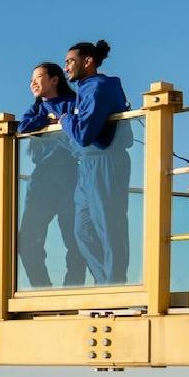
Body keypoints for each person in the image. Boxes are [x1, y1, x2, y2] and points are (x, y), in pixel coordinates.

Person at [43, 39, 132, 285]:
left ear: (88, 61)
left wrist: (64, 120)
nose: (66, 67)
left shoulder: (98, 87)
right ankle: (106, 284)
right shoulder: (85, 88)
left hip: (106, 162)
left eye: (70, 61)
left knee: (108, 227)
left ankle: (115, 288)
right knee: (82, 231)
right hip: (87, 165)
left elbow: (83, 134)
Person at [17, 62, 85, 287]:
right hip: (42, 179)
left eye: (38, 77)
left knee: (76, 241)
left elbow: (81, 131)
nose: (33, 83)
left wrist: (62, 120)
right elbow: (23, 128)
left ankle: (71, 292)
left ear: (54, 79)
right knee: (27, 240)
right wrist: (48, 121)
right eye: (30, 80)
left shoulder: (74, 102)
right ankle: (42, 290)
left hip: (71, 176)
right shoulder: (37, 108)